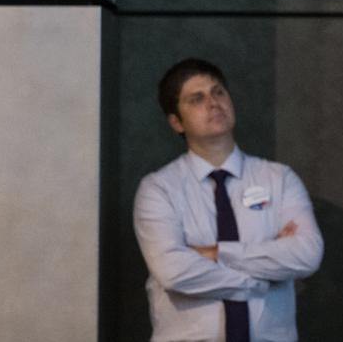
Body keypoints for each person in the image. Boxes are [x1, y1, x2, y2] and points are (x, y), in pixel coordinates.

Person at [134, 58, 324, 342]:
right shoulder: (159, 188)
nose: (213, 103)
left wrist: (214, 253)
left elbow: (306, 254)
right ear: (176, 122)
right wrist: (259, 277)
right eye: (197, 99)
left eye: (218, 92)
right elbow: (173, 271)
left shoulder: (279, 178)